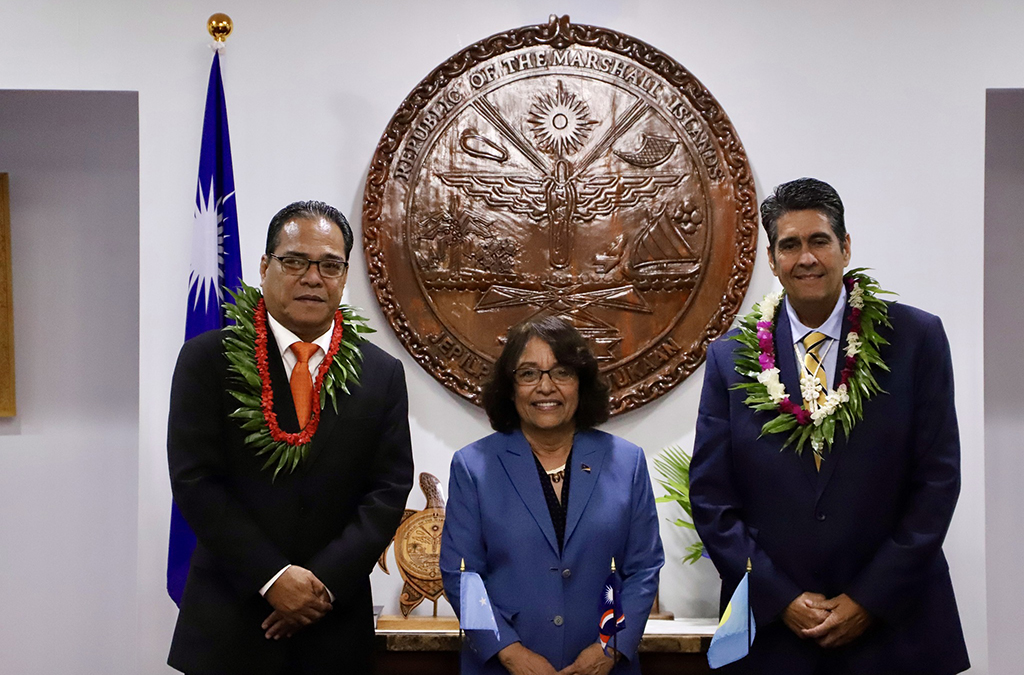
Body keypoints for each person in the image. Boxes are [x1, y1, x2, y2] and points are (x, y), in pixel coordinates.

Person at [690, 178, 969, 674]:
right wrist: (782, 597)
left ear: (845, 246)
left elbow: (937, 482)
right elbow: (712, 499)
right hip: (775, 637)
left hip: (896, 628)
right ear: (773, 260)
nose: (806, 258)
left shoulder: (915, 339)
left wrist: (869, 598)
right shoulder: (730, 359)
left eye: (819, 240)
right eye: (789, 245)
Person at [166, 200, 414, 674]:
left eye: (329, 265)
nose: (312, 277)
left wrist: (319, 584)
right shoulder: (206, 361)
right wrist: (272, 578)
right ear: (265, 266)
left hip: (334, 628)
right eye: (295, 261)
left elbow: (386, 491)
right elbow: (196, 482)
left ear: (344, 276)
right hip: (230, 626)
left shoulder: (380, 374)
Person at [440, 316, 664, 675]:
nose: (546, 387)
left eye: (561, 372)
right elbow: (462, 575)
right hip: (503, 667)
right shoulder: (473, 466)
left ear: (581, 384)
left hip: (605, 665)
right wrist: (511, 653)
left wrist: (610, 647)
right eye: (529, 374)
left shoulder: (627, 462)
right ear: (510, 389)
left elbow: (643, 569)